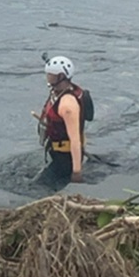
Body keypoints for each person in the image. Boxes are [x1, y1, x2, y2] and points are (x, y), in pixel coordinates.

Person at [34, 54, 88, 187]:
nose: (47, 76)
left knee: (41, 186)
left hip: (66, 157)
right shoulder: (58, 91)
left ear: (60, 77)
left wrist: (77, 173)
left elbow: (75, 140)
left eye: (50, 74)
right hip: (56, 151)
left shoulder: (67, 105)